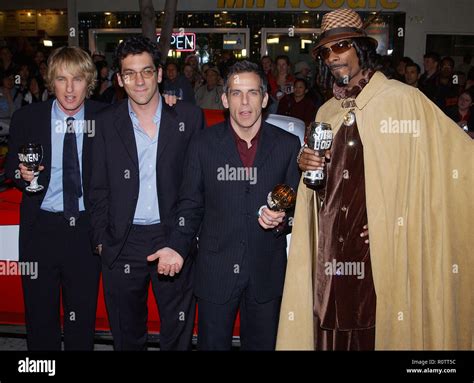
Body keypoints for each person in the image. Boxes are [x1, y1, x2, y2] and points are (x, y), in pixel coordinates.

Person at [277, 8, 473, 351]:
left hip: (378, 252)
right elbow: (321, 182)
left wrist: (400, 218)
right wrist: (306, 163)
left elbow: (453, 161)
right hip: (329, 250)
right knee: (329, 328)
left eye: (342, 47)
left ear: (361, 49)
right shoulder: (327, 112)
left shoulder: (402, 101)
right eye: (326, 51)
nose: (334, 57)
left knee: (374, 332)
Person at [149, 60, 301, 350]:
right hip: (216, 270)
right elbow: (190, 205)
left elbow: (296, 209)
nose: (244, 102)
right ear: (224, 98)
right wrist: (177, 245)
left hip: (265, 272)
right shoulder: (202, 144)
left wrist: (281, 219)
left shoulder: (287, 145)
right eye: (236, 93)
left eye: (253, 93)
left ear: (265, 98)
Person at [89, 36, 203, 351]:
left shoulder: (189, 118)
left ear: (160, 74)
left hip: (172, 237)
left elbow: (196, 188)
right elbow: (96, 189)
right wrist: (101, 240)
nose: (139, 81)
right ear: (119, 79)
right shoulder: (103, 123)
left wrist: (182, 241)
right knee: (127, 335)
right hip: (121, 241)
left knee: (177, 333)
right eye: (130, 73)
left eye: (147, 71)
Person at [6, 46, 105, 350]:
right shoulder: (28, 117)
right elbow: (11, 166)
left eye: (77, 79)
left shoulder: (107, 117)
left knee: (81, 320)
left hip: (86, 232)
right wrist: (21, 174)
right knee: (40, 319)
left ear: (89, 81)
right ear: (52, 82)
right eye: (62, 79)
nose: (70, 88)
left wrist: (169, 103)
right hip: (40, 231)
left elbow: (149, 117)